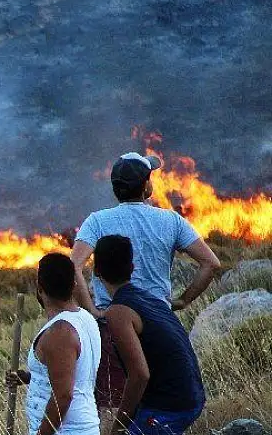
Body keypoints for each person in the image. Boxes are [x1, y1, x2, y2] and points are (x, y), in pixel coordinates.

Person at [71, 151, 221, 414]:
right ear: (146, 185)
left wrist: (93, 311)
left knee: (114, 406)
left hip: (113, 324)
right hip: (159, 323)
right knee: (160, 402)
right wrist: (183, 300)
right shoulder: (171, 220)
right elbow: (211, 263)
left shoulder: (97, 221)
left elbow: (73, 266)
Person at [91, 235, 206, 435]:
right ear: (132, 268)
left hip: (170, 403)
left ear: (96, 272)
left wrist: (117, 431)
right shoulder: (148, 298)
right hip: (189, 393)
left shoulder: (118, 312)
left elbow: (139, 375)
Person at [6, 253, 101, 435]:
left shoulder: (60, 332)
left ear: (39, 288)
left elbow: (64, 395)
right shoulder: (85, 318)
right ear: (74, 284)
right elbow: (72, 374)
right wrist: (30, 377)